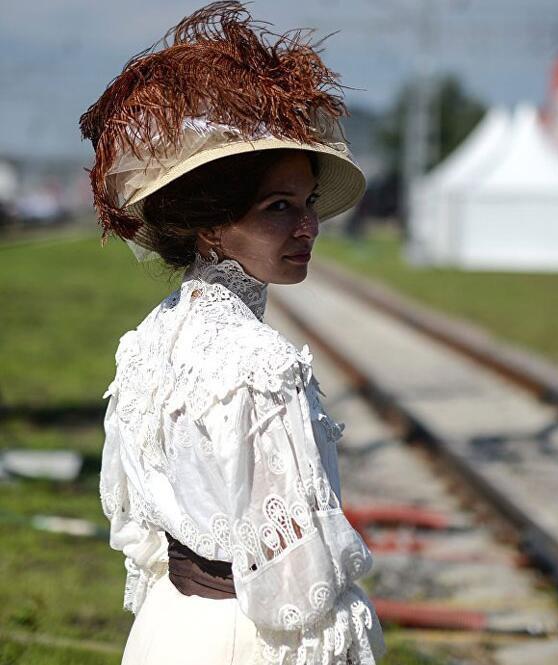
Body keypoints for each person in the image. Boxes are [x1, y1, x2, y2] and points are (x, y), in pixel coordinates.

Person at [82, 4, 385, 664]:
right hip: (247, 640)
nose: (306, 227)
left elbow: (137, 528)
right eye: (278, 207)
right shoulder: (260, 362)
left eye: (307, 205)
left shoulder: (148, 338)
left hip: (170, 630)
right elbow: (301, 588)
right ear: (211, 226)